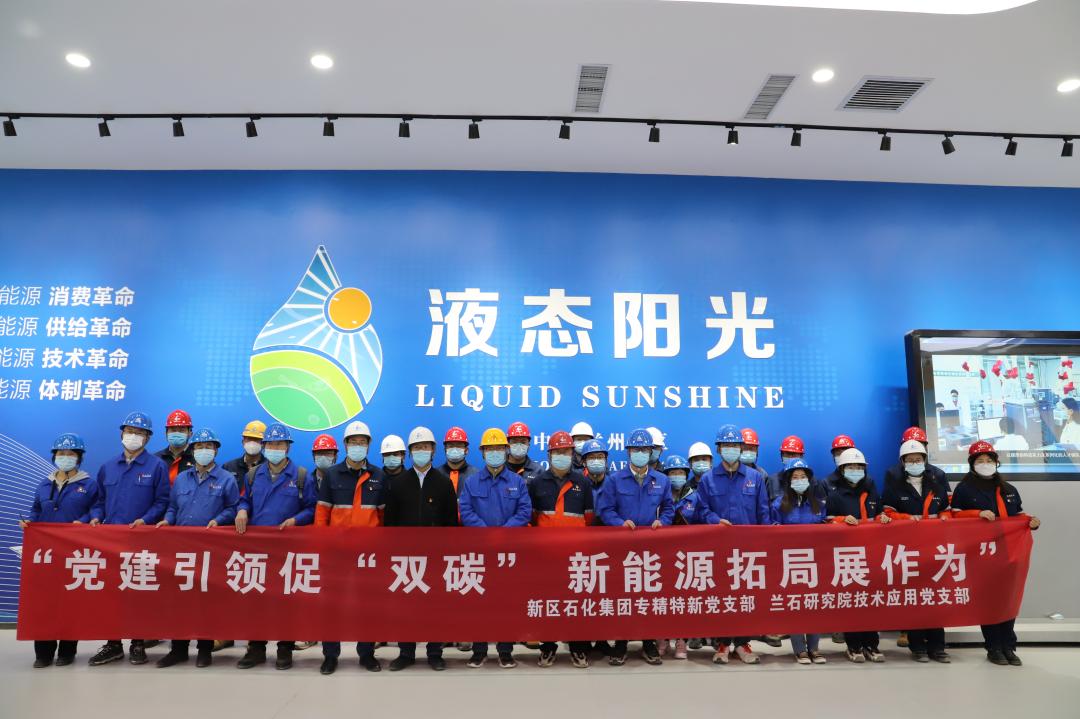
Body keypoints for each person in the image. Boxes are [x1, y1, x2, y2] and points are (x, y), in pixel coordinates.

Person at [87, 411, 170, 667]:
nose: (133, 436)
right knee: (112, 595)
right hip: (111, 541)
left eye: (139, 433)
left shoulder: (157, 466)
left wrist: (146, 519)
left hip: (142, 542)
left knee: (139, 594)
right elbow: (99, 501)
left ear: (148, 438)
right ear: (122, 434)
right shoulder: (108, 467)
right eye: (129, 431)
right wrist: (96, 517)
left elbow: (162, 501)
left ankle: (137, 642)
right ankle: (113, 644)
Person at [154, 428, 239, 668]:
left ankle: (204, 649)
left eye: (208, 447)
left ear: (216, 451)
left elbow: (233, 508)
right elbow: (173, 507)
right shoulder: (182, 478)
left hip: (210, 549)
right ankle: (178, 649)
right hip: (181, 548)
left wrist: (219, 520)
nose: (204, 451)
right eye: (199, 447)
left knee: (206, 601)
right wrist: (168, 520)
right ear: (193, 450)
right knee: (179, 599)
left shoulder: (226, 479)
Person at [950, 441, 1041, 666]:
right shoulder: (964, 489)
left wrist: (1031, 522)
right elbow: (954, 517)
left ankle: (1009, 646)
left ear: (996, 462)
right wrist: (977, 514)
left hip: (1008, 553)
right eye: (980, 461)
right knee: (989, 600)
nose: (985, 464)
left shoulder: (1009, 489)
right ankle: (993, 647)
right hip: (981, 553)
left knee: (1008, 598)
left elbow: (1017, 516)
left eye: (989, 460)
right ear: (972, 464)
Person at [234, 422, 316, 671]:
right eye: (271, 444)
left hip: (287, 551)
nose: (275, 448)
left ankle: (284, 648)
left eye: (280, 444)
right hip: (257, 551)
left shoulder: (301, 476)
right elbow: (244, 500)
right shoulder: (252, 475)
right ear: (264, 446)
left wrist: (296, 520)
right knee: (256, 600)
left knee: (286, 601)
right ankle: (256, 648)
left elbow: (312, 508)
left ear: (287, 447)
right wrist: (242, 510)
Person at [384, 426, 459, 672]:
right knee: (405, 607)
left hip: (436, 557)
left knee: (434, 607)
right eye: (416, 448)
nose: (421, 451)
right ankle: (405, 652)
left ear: (433, 450)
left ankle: (435, 653)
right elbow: (390, 523)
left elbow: (451, 522)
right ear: (410, 452)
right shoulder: (398, 483)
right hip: (406, 559)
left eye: (425, 447)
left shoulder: (444, 483)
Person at [596, 428, 673, 666]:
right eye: (636, 449)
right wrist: (619, 523)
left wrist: (663, 522)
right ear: (629, 452)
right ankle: (621, 644)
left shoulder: (661, 480)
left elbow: (669, 508)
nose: (640, 453)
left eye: (645, 449)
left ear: (651, 453)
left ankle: (649, 643)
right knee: (623, 597)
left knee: (648, 596)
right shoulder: (614, 480)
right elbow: (605, 510)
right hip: (622, 549)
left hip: (651, 549)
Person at [21, 433, 99, 668]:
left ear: (79, 457)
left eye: (71, 453)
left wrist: (84, 521)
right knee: (44, 602)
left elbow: (97, 509)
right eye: (61, 453)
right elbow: (36, 510)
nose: (65, 457)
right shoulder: (44, 484)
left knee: (69, 601)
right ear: (54, 456)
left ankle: (67, 650)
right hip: (46, 554)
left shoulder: (89, 484)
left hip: (74, 553)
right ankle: (43, 653)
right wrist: (30, 523)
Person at [694, 423, 770, 665]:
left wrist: (767, 542)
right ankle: (723, 643)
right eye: (726, 445)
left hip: (748, 550)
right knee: (723, 596)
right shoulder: (708, 479)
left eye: (734, 445)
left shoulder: (755, 478)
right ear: (718, 449)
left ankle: (743, 643)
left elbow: (763, 512)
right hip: (719, 549)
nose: (730, 449)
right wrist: (714, 520)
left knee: (746, 597)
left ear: (741, 448)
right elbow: (701, 510)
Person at [458, 428, 532, 669]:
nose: (495, 453)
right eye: (490, 449)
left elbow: (524, 511)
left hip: (508, 553)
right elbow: (465, 511)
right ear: (482, 453)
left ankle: (505, 650)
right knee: (479, 603)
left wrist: (504, 533)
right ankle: (479, 651)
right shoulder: (471, 482)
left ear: (506, 451)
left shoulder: (517, 482)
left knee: (506, 602)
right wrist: (486, 533)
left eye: (499, 448)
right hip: (480, 552)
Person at [314, 421, 385, 674]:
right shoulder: (332, 475)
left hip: (367, 555)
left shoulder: (379, 475)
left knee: (367, 605)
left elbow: (382, 516)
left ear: (369, 445)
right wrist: (323, 548)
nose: (358, 446)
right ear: (345, 445)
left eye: (362, 442)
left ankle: (367, 654)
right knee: (332, 605)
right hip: (337, 554)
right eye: (353, 442)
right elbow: (322, 514)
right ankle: (330, 655)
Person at [882, 439, 953, 664]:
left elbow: (947, 510)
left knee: (934, 597)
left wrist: (944, 517)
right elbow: (888, 513)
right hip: (908, 549)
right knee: (913, 597)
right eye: (910, 460)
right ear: (903, 462)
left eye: (918, 459)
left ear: (924, 460)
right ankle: (917, 647)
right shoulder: (895, 486)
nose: (915, 463)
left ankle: (937, 647)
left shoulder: (937, 483)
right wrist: (905, 518)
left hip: (934, 548)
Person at [528, 430, 594, 668]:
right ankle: (547, 647)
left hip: (575, 557)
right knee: (548, 603)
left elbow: (589, 518)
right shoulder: (537, 483)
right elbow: (532, 518)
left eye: (566, 451)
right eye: (558, 452)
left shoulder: (583, 483)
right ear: (549, 454)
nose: (562, 455)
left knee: (576, 604)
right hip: (546, 557)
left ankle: (578, 648)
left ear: (572, 454)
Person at [825, 447, 891, 663]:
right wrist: (841, 520)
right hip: (848, 557)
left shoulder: (871, 490)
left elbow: (879, 512)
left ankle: (872, 645)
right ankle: (853, 646)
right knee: (852, 602)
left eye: (859, 467)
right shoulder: (835, 495)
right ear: (842, 469)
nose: (855, 470)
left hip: (872, 554)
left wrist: (882, 518)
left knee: (871, 601)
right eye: (851, 467)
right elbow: (826, 521)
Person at [769, 458, 827, 665]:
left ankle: (814, 648)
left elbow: (826, 531)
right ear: (788, 481)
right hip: (790, 563)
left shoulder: (819, 505)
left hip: (815, 562)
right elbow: (771, 533)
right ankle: (800, 649)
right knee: (795, 605)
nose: (800, 480)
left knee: (813, 604)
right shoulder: (778, 505)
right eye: (795, 477)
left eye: (803, 477)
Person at [661, 454, 693, 660]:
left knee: (683, 598)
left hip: (686, 556)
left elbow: (704, 517)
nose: (677, 476)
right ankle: (662, 638)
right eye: (673, 473)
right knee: (663, 598)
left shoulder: (694, 497)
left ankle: (682, 640)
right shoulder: (659, 496)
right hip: (662, 556)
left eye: (681, 472)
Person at [883, 426, 948, 489]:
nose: (915, 448)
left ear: (925, 448)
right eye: (910, 445)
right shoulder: (893, 474)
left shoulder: (938, 474)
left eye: (919, 445)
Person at [222, 420, 267, 488]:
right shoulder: (228, 467)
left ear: (263, 444)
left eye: (256, 439)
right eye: (249, 439)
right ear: (243, 442)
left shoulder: (270, 468)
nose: (252, 443)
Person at [155, 409, 196, 485]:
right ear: (166, 433)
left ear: (190, 434)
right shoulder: (156, 459)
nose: (177, 433)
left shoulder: (198, 459)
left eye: (181, 430)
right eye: (173, 430)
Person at [440, 426, 478, 496]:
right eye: (451, 446)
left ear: (466, 450)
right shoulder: (436, 475)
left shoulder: (476, 475)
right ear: (445, 449)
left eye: (459, 445)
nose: (455, 449)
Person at [767, 435, 805, 502]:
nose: (790, 457)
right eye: (787, 453)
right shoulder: (772, 481)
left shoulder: (811, 481)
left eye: (794, 454)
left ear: (801, 457)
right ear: (781, 455)